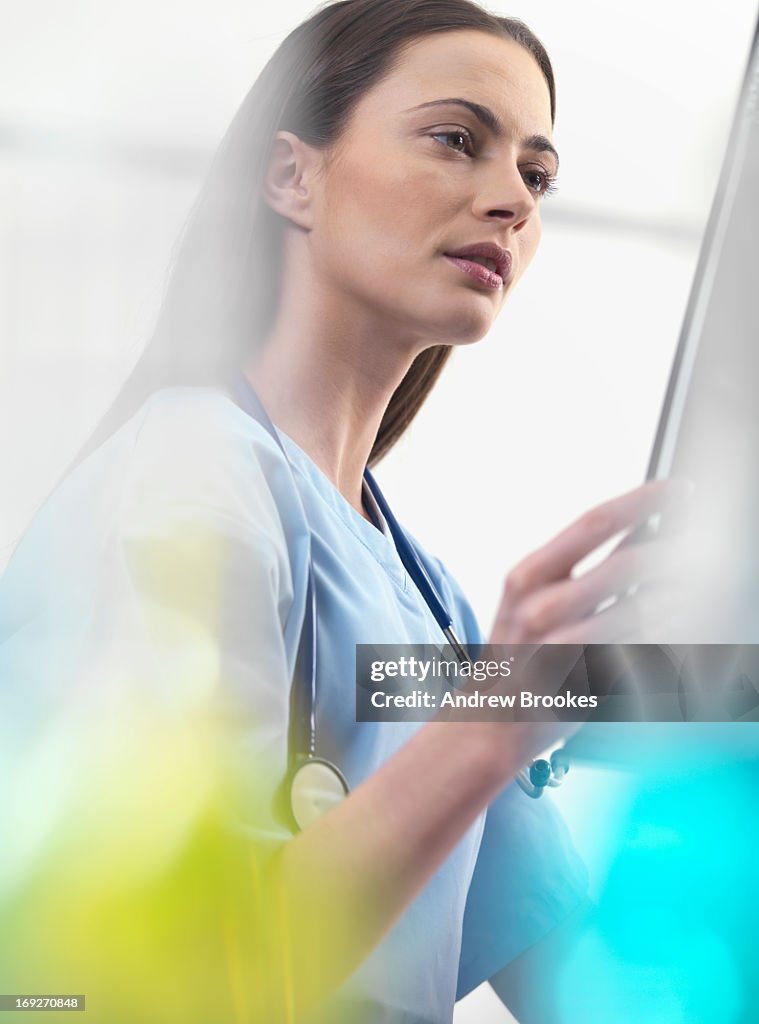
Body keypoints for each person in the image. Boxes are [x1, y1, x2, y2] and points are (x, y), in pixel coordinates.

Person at [0, 1, 683, 1021]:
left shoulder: (427, 595)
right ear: (292, 175)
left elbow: (591, 991)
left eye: (536, 176)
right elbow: (163, 978)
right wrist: (492, 724)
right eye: (459, 139)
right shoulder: (186, 480)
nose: (512, 201)